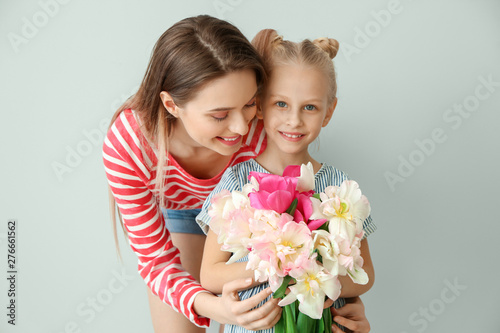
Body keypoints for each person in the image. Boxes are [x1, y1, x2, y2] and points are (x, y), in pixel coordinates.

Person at [103, 15, 372, 333]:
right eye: (220, 115)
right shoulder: (130, 144)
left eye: (249, 105)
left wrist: (341, 300)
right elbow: (158, 262)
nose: (243, 128)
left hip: (260, 226)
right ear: (172, 104)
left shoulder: (276, 123)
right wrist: (218, 308)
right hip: (186, 212)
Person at [197, 29, 376, 333]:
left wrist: (313, 275)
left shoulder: (338, 187)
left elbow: (366, 274)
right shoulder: (237, 181)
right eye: (281, 104)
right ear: (260, 104)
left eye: (310, 107)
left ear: (328, 112)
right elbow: (210, 275)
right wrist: (277, 268)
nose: (294, 120)